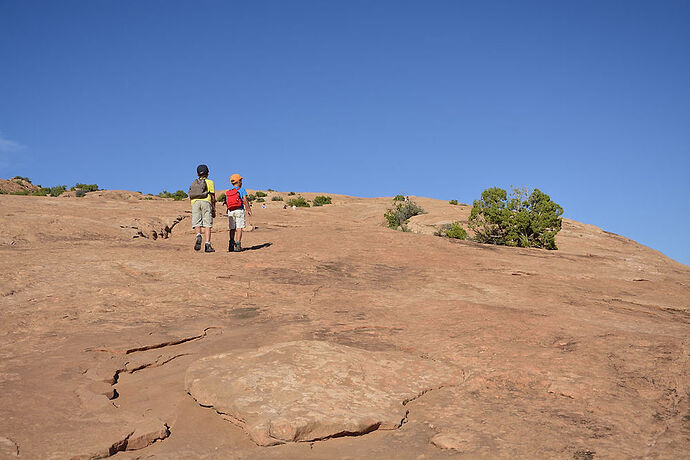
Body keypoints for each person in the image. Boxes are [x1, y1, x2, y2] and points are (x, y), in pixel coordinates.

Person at [189, 164, 216, 252]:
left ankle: (198, 235)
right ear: (208, 173)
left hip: (195, 203)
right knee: (207, 224)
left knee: (197, 222)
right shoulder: (210, 182)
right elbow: (212, 196)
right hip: (206, 202)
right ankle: (207, 244)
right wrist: (213, 209)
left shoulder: (194, 182)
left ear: (197, 174)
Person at [225, 173, 252, 252]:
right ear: (239, 181)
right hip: (239, 210)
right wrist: (248, 209)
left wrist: (227, 209)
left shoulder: (229, 191)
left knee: (232, 228)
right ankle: (238, 245)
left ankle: (231, 244)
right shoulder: (241, 190)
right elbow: (244, 199)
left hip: (231, 211)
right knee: (239, 227)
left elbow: (227, 202)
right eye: (241, 180)